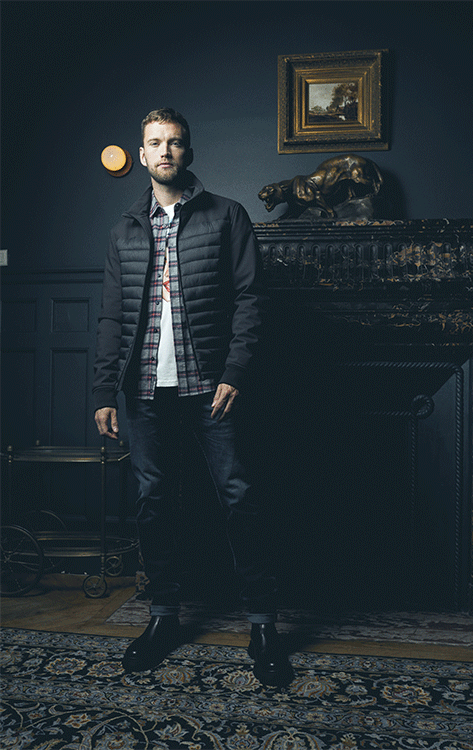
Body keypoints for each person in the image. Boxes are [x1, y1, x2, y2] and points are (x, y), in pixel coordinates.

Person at [93, 108, 293, 687]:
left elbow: (251, 299)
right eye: (155, 142)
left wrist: (235, 372)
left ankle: (263, 626)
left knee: (239, 496)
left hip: (213, 389)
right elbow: (112, 316)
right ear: (141, 154)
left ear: (188, 152)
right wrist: (104, 389)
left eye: (175, 142)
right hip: (144, 391)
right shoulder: (124, 230)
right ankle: (163, 619)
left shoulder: (227, 216)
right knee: (154, 500)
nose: (165, 151)